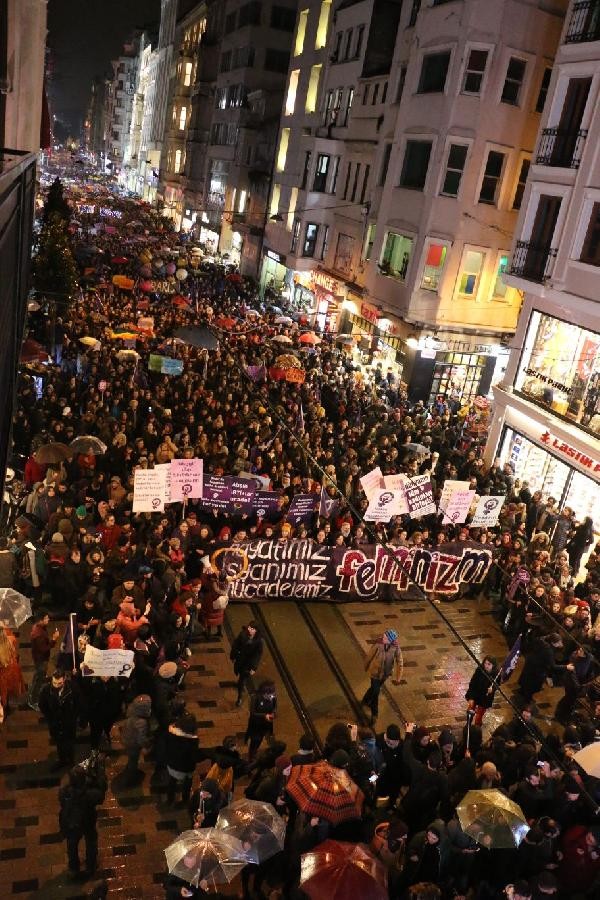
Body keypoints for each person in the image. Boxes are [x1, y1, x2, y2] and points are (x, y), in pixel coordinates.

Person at [58, 756, 107, 880]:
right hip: (87, 821)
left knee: (72, 844)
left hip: (71, 823)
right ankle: (90, 865)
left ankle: (74, 868)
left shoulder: (65, 792)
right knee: (91, 840)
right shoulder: (89, 795)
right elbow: (101, 794)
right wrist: (100, 771)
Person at [39, 669, 81, 769]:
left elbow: (79, 703)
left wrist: (74, 716)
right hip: (55, 723)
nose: (56, 685)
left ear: (64, 680)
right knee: (59, 743)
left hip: (69, 722)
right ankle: (62, 760)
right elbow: (42, 705)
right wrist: (50, 717)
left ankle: (71, 761)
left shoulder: (72, 688)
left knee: (70, 742)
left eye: (59, 683)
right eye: (54, 683)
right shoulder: (46, 690)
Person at [361, 629, 403, 725]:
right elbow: (370, 655)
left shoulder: (396, 648)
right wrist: (366, 666)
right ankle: (374, 714)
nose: (383, 638)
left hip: (385, 675)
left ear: (390, 640)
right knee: (376, 692)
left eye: (385, 637)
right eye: (383, 636)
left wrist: (398, 677)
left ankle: (365, 700)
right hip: (375, 673)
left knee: (374, 689)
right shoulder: (378, 644)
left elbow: (400, 662)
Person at [165, 712, 200, 806]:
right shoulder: (192, 741)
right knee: (187, 785)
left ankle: (170, 799)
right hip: (185, 769)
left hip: (172, 764)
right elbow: (194, 757)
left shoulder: (171, 733)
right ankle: (185, 800)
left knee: (172, 782)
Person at [27, 609, 60, 711]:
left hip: (39, 659)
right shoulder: (38, 634)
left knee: (37, 677)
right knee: (39, 680)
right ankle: (33, 701)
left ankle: (31, 694)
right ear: (40, 620)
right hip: (41, 660)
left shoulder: (38, 628)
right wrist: (54, 639)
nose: (48, 619)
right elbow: (44, 649)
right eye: (46, 618)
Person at [119, 694, 153, 785]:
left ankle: (128, 770)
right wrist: (147, 744)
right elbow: (140, 738)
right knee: (133, 760)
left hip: (127, 740)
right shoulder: (141, 722)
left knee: (131, 758)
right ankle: (130, 779)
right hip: (133, 744)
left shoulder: (132, 713)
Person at [230, 620, 264, 707]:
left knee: (242, 680)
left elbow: (258, 655)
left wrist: (254, 667)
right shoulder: (243, 634)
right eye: (249, 627)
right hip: (240, 660)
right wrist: (233, 656)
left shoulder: (259, 641)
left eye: (252, 629)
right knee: (239, 675)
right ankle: (239, 685)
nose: (249, 630)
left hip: (248, 664)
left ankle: (239, 697)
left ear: (256, 630)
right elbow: (235, 645)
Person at [245, 680, 277, 761]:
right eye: (270, 694)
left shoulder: (272, 697)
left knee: (260, 739)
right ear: (264, 693)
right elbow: (253, 712)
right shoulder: (255, 697)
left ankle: (255, 751)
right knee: (255, 739)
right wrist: (264, 715)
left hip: (265, 724)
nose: (272, 696)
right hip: (255, 724)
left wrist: (273, 713)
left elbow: (275, 707)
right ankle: (251, 754)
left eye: (272, 693)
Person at [465, 655, 499, 727]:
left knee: (479, 715)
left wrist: (492, 690)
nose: (486, 666)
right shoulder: (479, 670)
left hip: (485, 698)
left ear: (493, 665)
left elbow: (497, 685)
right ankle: (468, 725)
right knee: (470, 711)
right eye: (485, 663)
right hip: (475, 694)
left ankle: (477, 728)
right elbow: (472, 683)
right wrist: (471, 697)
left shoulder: (496, 674)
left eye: (489, 664)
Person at [0, 624, 25, 717]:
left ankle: (3, 711)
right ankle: (6, 708)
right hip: (9, 673)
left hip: (2, 674)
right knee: (6, 694)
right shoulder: (9, 641)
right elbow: (14, 655)